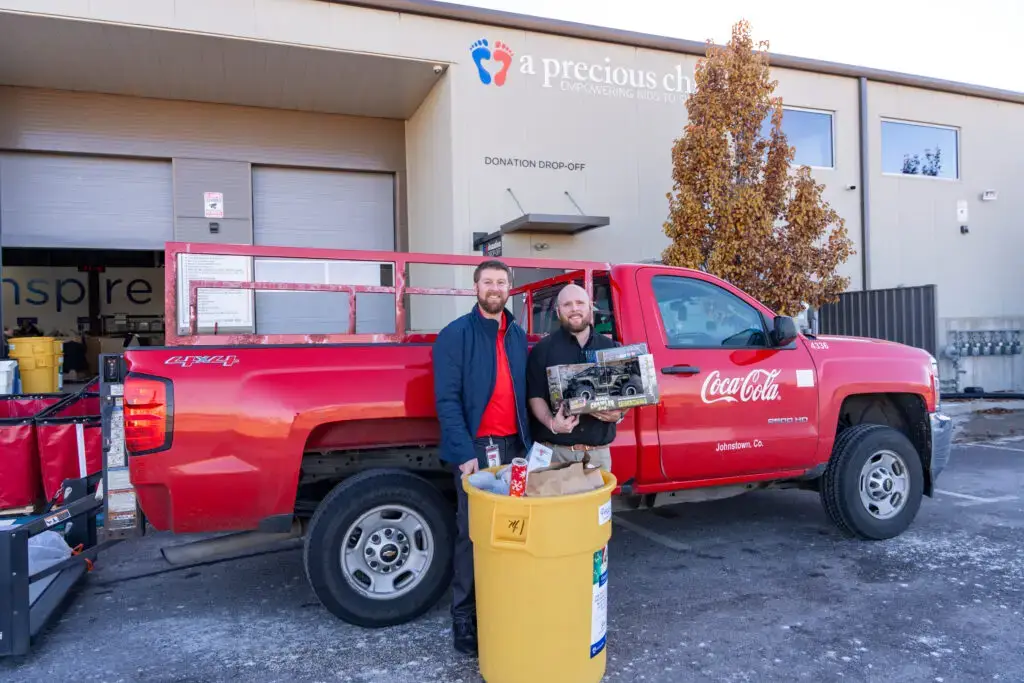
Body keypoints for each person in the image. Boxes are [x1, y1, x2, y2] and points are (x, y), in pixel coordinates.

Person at [432, 259, 532, 656]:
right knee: (472, 537)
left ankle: (504, 610)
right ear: (475, 287)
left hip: (516, 450)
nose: (495, 288)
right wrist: (462, 454)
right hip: (477, 453)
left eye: (501, 282)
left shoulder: (518, 335)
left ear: (510, 288)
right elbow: (447, 400)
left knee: (513, 533)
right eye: (487, 281)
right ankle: (464, 620)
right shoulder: (454, 335)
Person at [526, 283, 630, 472]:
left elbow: (624, 394)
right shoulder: (543, 350)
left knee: (597, 503)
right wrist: (552, 423)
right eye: (567, 305)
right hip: (555, 455)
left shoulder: (612, 349)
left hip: (598, 457)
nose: (574, 309)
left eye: (580, 303)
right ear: (558, 312)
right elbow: (535, 396)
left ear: (590, 307)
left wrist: (620, 414)